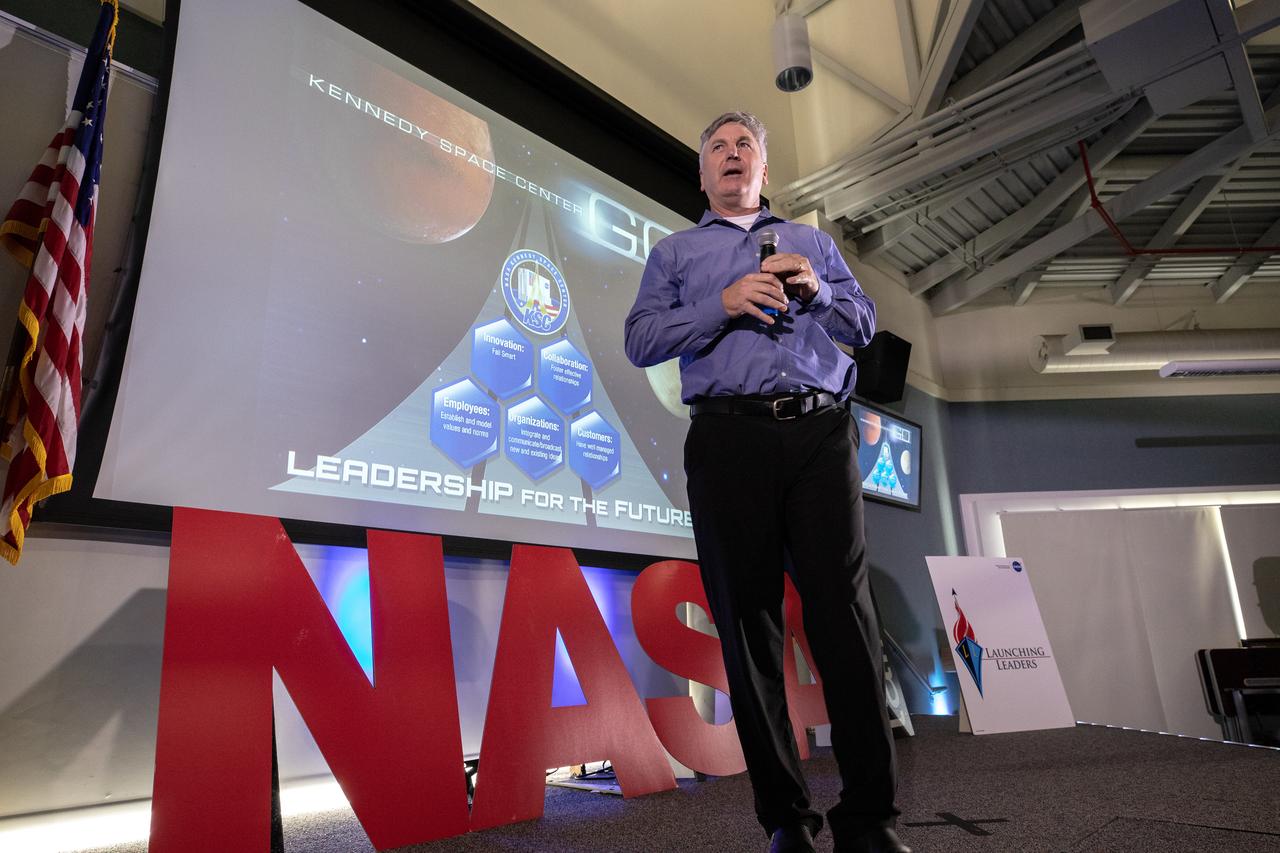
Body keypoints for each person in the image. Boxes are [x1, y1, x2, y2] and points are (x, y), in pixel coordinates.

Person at [624, 112, 909, 853]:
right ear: (702, 174)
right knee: (748, 626)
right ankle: (786, 820)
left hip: (819, 433)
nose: (730, 153)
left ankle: (870, 818)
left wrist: (815, 289)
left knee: (846, 618)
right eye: (716, 146)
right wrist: (720, 304)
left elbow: (864, 323)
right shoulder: (676, 252)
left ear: (763, 172)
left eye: (744, 144)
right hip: (728, 439)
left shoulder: (813, 243)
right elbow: (640, 338)